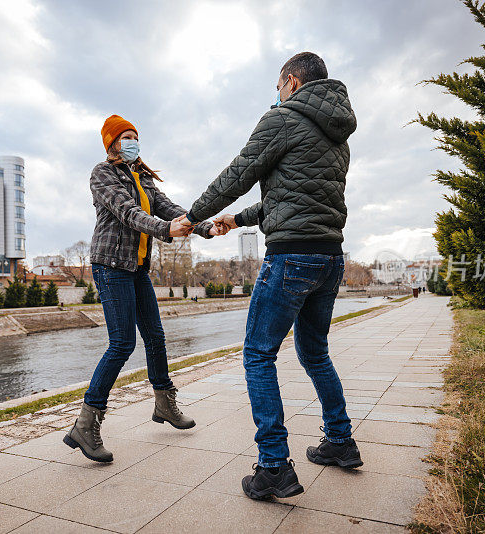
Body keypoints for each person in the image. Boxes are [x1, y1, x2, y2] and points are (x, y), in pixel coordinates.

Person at [178, 52, 362, 500]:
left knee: (259, 354)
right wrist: (235, 222)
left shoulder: (282, 119)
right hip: (329, 258)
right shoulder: (338, 137)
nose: (276, 94)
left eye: (278, 86)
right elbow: (287, 199)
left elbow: (240, 172)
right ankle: (341, 441)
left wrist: (193, 215)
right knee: (314, 351)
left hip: (291, 258)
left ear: (291, 81)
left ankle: (274, 466)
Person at [65, 115, 227, 463]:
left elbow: (170, 209)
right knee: (122, 343)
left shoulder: (142, 175)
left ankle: (164, 404)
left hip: (136, 268)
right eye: (126, 136)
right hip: (110, 266)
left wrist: (205, 227)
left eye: (136, 136)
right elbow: (128, 213)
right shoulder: (102, 174)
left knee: (155, 336)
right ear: (112, 143)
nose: (133, 141)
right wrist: (166, 229)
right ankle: (85, 423)